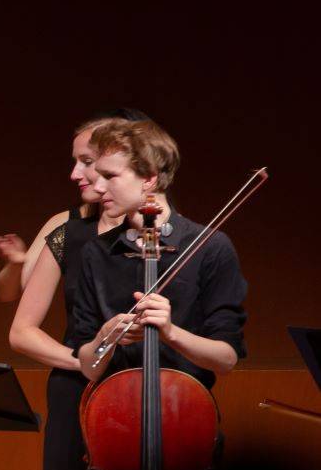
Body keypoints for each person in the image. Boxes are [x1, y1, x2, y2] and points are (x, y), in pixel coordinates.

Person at [0, 109, 148, 470]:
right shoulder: (69, 232)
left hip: (145, 390)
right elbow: (21, 329)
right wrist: (82, 360)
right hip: (76, 394)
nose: (77, 173)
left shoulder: (161, 233)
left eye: (87, 161)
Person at [72, 118, 246, 390]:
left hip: (185, 412)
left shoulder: (210, 247)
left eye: (110, 176)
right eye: (98, 176)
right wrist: (104, 338)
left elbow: (226, 360)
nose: (99, 187)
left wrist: (170, 332)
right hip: (116, 415)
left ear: (149, 178)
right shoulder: (95, 253)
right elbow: (88, 368)